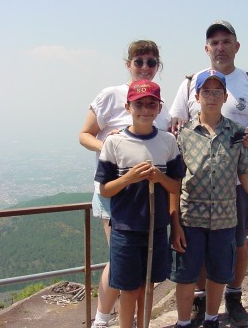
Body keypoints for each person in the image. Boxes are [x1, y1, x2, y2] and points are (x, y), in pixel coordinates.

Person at [169, 20, 248, 327]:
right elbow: (176, 124)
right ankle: (199, 305)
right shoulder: (189, 83)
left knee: (235, 243)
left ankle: (232, 297)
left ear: (236, 46)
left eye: (226, 41)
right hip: (194, 197)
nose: (220, 47)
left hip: (236, 186)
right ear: (207, 48)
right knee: (196, 253)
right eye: (214, 42)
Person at [78, 40, 170, 328]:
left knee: (135, 265)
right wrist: (112, 147)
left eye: (151, 62)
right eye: (139, 61)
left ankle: (123, 321)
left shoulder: (159, 102)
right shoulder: (110, 95)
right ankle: (103, 320)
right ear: (128, 64)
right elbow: (84, 134)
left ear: (158, 66)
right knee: (120, 259)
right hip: (114, 190)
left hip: (150, 196)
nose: (145, 67)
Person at [95, 80, 184, 328]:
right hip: (125, 229)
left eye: (151, 104)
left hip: (156, 229)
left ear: (158, 107)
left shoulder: (167, 142)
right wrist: (129, 178)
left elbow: (176, 186)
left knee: (147, 289)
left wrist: (160, 177)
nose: (145, 109)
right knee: (129, 290)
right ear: (128, 106)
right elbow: (105, 189)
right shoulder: (114, 143)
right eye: (139, 104)